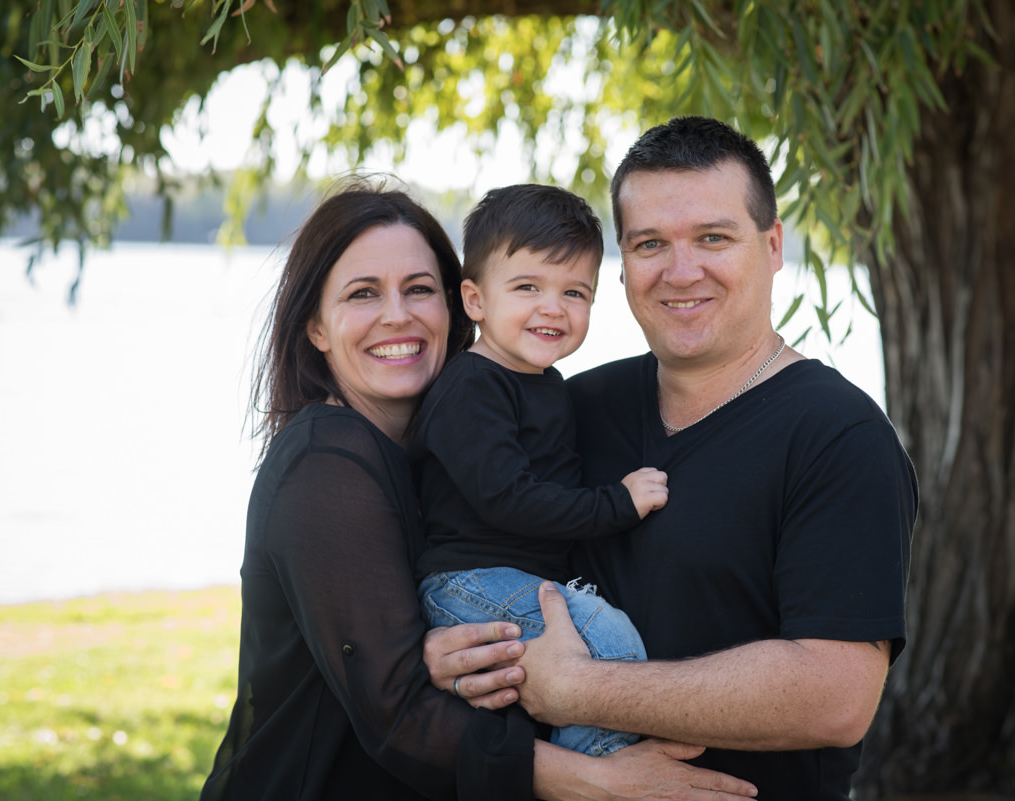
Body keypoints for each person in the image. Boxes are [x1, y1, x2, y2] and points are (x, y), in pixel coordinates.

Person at [200, 177, 759, 801]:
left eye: (418, 289)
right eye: (363, 294)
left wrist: (438, 653)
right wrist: (603, 781)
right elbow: (394, 706)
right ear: (317, 328)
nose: (398, 314)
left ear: (452, 303)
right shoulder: (327, 462)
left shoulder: (429, 437)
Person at [424, 117, 918, 800]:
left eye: (713, 238)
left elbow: (834, 697)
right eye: (650, 243)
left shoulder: (839, 435)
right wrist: (446, 650)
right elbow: (473, 549)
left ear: (773, 247)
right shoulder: (576, 403)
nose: (681, 271)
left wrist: (576, 688)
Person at [410, 184, 667, 757]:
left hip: (510, 581)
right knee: (608, 645)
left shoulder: (544, 383)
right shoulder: (471, 386)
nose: (553, 307)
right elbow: (508, 497)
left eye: (575, 292)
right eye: (528, 286)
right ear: (475, 301)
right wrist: (617, 505)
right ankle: (597, 782)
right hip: (469, 583)